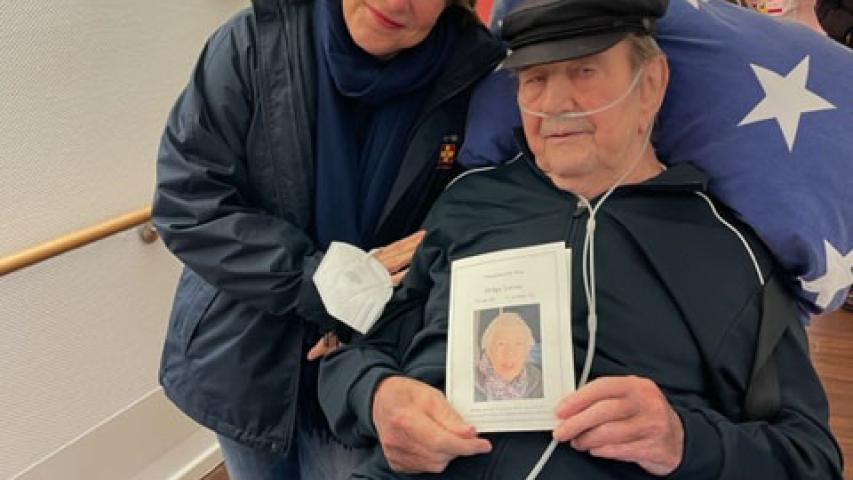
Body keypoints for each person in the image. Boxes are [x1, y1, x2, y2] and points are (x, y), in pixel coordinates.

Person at [318, 0, 844, 478]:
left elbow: (811, 457)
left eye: (584, 70)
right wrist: (377, 397)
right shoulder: (468, 203)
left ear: (652, 84)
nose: (554, 102)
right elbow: (350, 351)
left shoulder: (728, 254)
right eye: (535, 78)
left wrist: (684, 441)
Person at [151, 0, 503, 478]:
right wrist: (323, 282)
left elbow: (468, 229)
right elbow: (187, 200)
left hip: (371, 370)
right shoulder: (253, 42)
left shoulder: (476, 74)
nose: (395, 2)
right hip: (246, 361)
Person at [475, 312, 542, 401]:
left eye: (518, 344)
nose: (510, 353)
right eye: (501, 344)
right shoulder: (472, 383)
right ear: (488, 350)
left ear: (527, 351)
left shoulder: (538, 382)